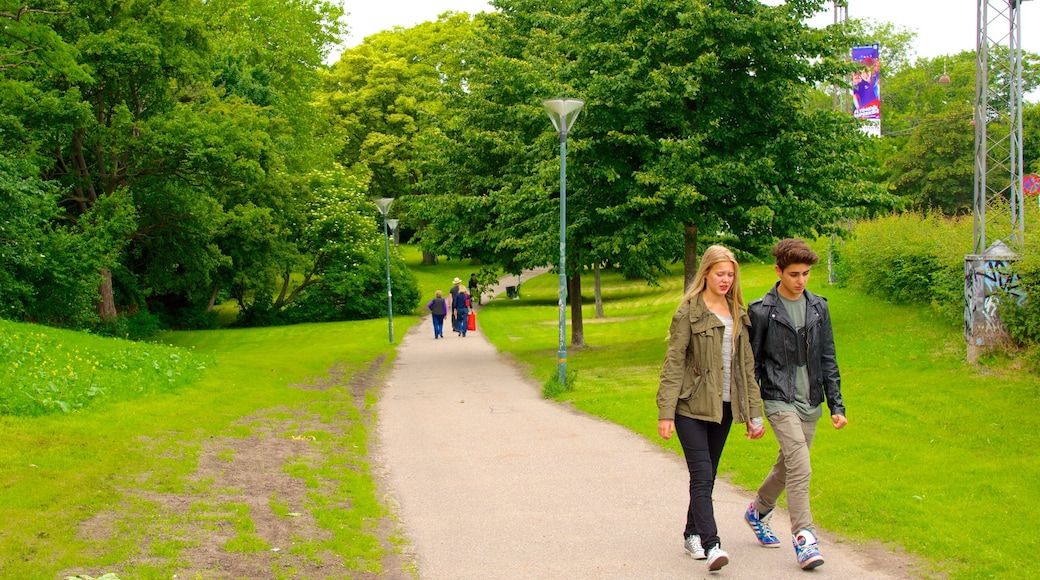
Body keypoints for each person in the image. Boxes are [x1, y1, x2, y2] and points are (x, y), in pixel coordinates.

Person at [657, 245, 765, 572]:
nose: (726, 280)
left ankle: (691, 532)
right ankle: (711, 543)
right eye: (720, 274)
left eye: (731, 275)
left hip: (726, 407)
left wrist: (753, 413)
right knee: (702, 474)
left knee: (708, 475)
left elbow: (747, 366)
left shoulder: (739, 312)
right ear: (705, 273)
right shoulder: (688, 312)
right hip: (691, 406)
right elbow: (674, 362)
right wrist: (665, 412)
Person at [743, 238, 847, 571]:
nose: (801, 281)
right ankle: (805, 538)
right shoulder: (762, 311)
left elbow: (828, 357)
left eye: (806, 274)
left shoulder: (819, 307)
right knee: (801, 466)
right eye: (794, 274)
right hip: (778, 398)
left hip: (810, 401)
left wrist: (837, 405)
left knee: (788, 465)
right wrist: (752, 413)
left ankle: (757, 511)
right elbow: (752, 365)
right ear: (779, 271)